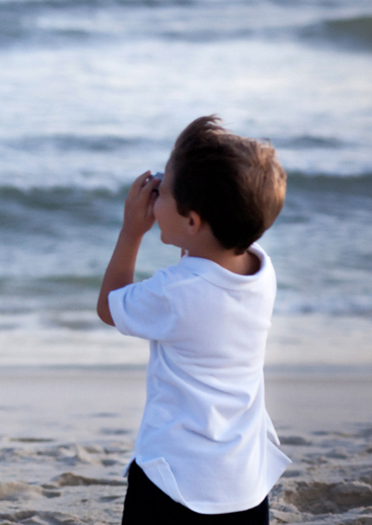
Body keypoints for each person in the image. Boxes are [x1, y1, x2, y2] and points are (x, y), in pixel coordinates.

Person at [96, 116, 291, 524]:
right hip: (244, 484)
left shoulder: (174, 293)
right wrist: (177, 201)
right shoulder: (260, 270)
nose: (155, 193)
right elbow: (202, 260)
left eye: (163, 190)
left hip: (174, 482)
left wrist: (131, 231)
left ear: (192, 221)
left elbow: (109, 306)